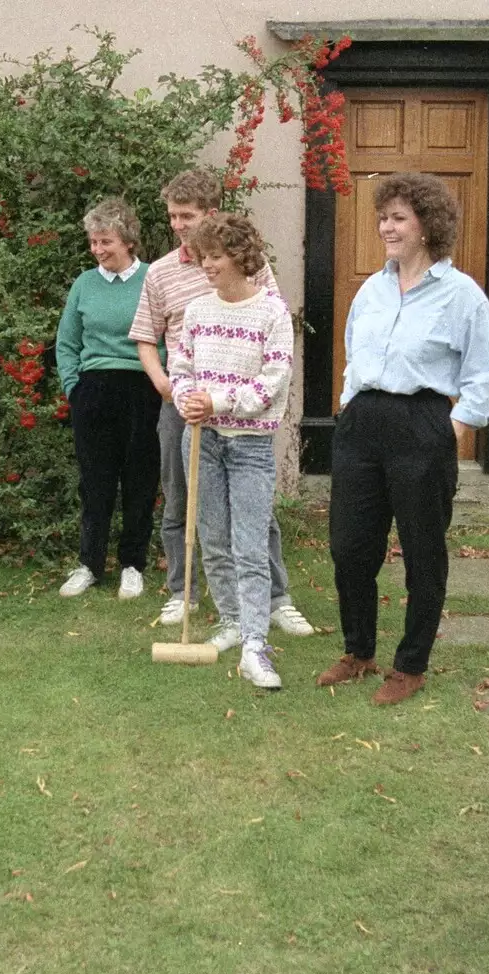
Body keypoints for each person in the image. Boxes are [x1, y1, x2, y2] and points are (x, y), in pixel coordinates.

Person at [317, 173, 489, 705]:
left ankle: (411, 664)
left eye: (399, 218)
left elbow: (482, 376)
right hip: (362, 423)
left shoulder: (462, 295)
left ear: (428, 226)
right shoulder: (371, 289)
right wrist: (350, 405)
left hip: (422, 425)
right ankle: (358, 650)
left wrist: (453, 430)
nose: (386, 227)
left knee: (423, 551)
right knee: (349, 546)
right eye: (383, 217)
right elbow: (354, 354)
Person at [129, 169, 313, 648]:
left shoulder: (253, 273)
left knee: (254, 516)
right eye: (171, 216)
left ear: (211, 216)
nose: (177, 225)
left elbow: (269, 335)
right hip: (184, 401)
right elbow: (149, 339)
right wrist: (170, 387)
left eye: (186, 216)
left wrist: (227, 398)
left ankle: (275, 600)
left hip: (241, 414)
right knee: (182, 499)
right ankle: (186, 594)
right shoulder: (161, 272)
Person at [168, 213, 295, 689]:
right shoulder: (198, 311)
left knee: (250, 545)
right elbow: (180, 365)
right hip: (200, 439)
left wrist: (217, 400)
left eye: (215, 256)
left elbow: (273, 383)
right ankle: (230, 621)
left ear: (242, 257)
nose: (207, 265)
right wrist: (186, 399)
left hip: (250, 446)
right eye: (202, 257)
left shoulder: (272, 313)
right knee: (213, 539)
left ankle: (256, 645)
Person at [54, 198, 161, 599]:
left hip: (142, 389)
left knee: (140, 480)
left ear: (128, 240)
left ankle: (132, 565)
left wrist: (161, 382)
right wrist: (73, 388)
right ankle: (89, 564)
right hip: (93, 392)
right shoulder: (84, 284)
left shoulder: (153, 279)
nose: (98, 250)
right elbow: (66, 342)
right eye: (93, 242)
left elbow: (166, 336)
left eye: (106, 241)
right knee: (95, 482)